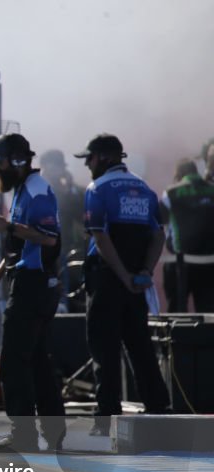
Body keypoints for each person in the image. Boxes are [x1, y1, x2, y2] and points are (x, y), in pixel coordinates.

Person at [0, 134, 66, 452]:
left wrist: (7, 227)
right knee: (37, 360)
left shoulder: (37, 191)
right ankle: (54, 432)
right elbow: (19, 250)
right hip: (28, 281)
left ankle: (23, 434)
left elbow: (49, 238)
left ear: (16, 161)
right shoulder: (23, 190)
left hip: (35, 286)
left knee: (13, 361)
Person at [75, 134, 171, 435]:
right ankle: (159, 410)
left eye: (89, 158)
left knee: (104, 350)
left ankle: (106, 419)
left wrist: (121, 274)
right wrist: (142, 271)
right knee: (140, 347)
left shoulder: (97, 188)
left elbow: (100, 237)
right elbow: (159, 236)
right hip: (136, 283)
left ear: (102, 158)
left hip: (108, 279)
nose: (87, 165)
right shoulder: (145, 189)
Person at [160, 159, 214, 312]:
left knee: (177, 311)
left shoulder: (171, 192)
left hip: (180, 262)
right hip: (210, 262)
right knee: (209, 313)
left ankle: (177, 336)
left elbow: (158, 221)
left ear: (179, 174)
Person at [40, 149, 87, 309]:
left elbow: (81, 214)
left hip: (63, 249)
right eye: (50, 167)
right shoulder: (35, 190)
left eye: (58, 167)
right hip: (39, 250)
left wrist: (69, 187)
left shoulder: (70, 191)